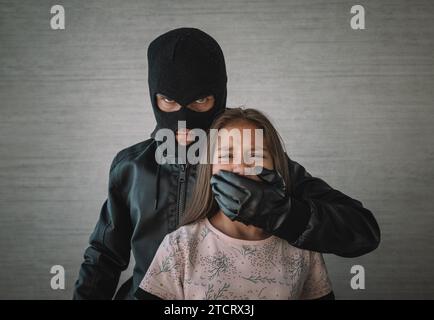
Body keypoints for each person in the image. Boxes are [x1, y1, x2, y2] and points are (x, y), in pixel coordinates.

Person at [73, 27, 380, 300]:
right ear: (153, 96)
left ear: (218, 96)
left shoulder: (257, 164)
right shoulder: (130, 167)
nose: (183, 118)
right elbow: (103, 256)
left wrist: (285, 214)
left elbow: (363, 232)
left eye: (199, 101)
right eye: (168, 100)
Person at [135, 108, 334, 300]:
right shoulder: (180, 246)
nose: (240, 167)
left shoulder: (302, 244)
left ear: (276, 166)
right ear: (210, 168)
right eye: (227, 156)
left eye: (255, 155)